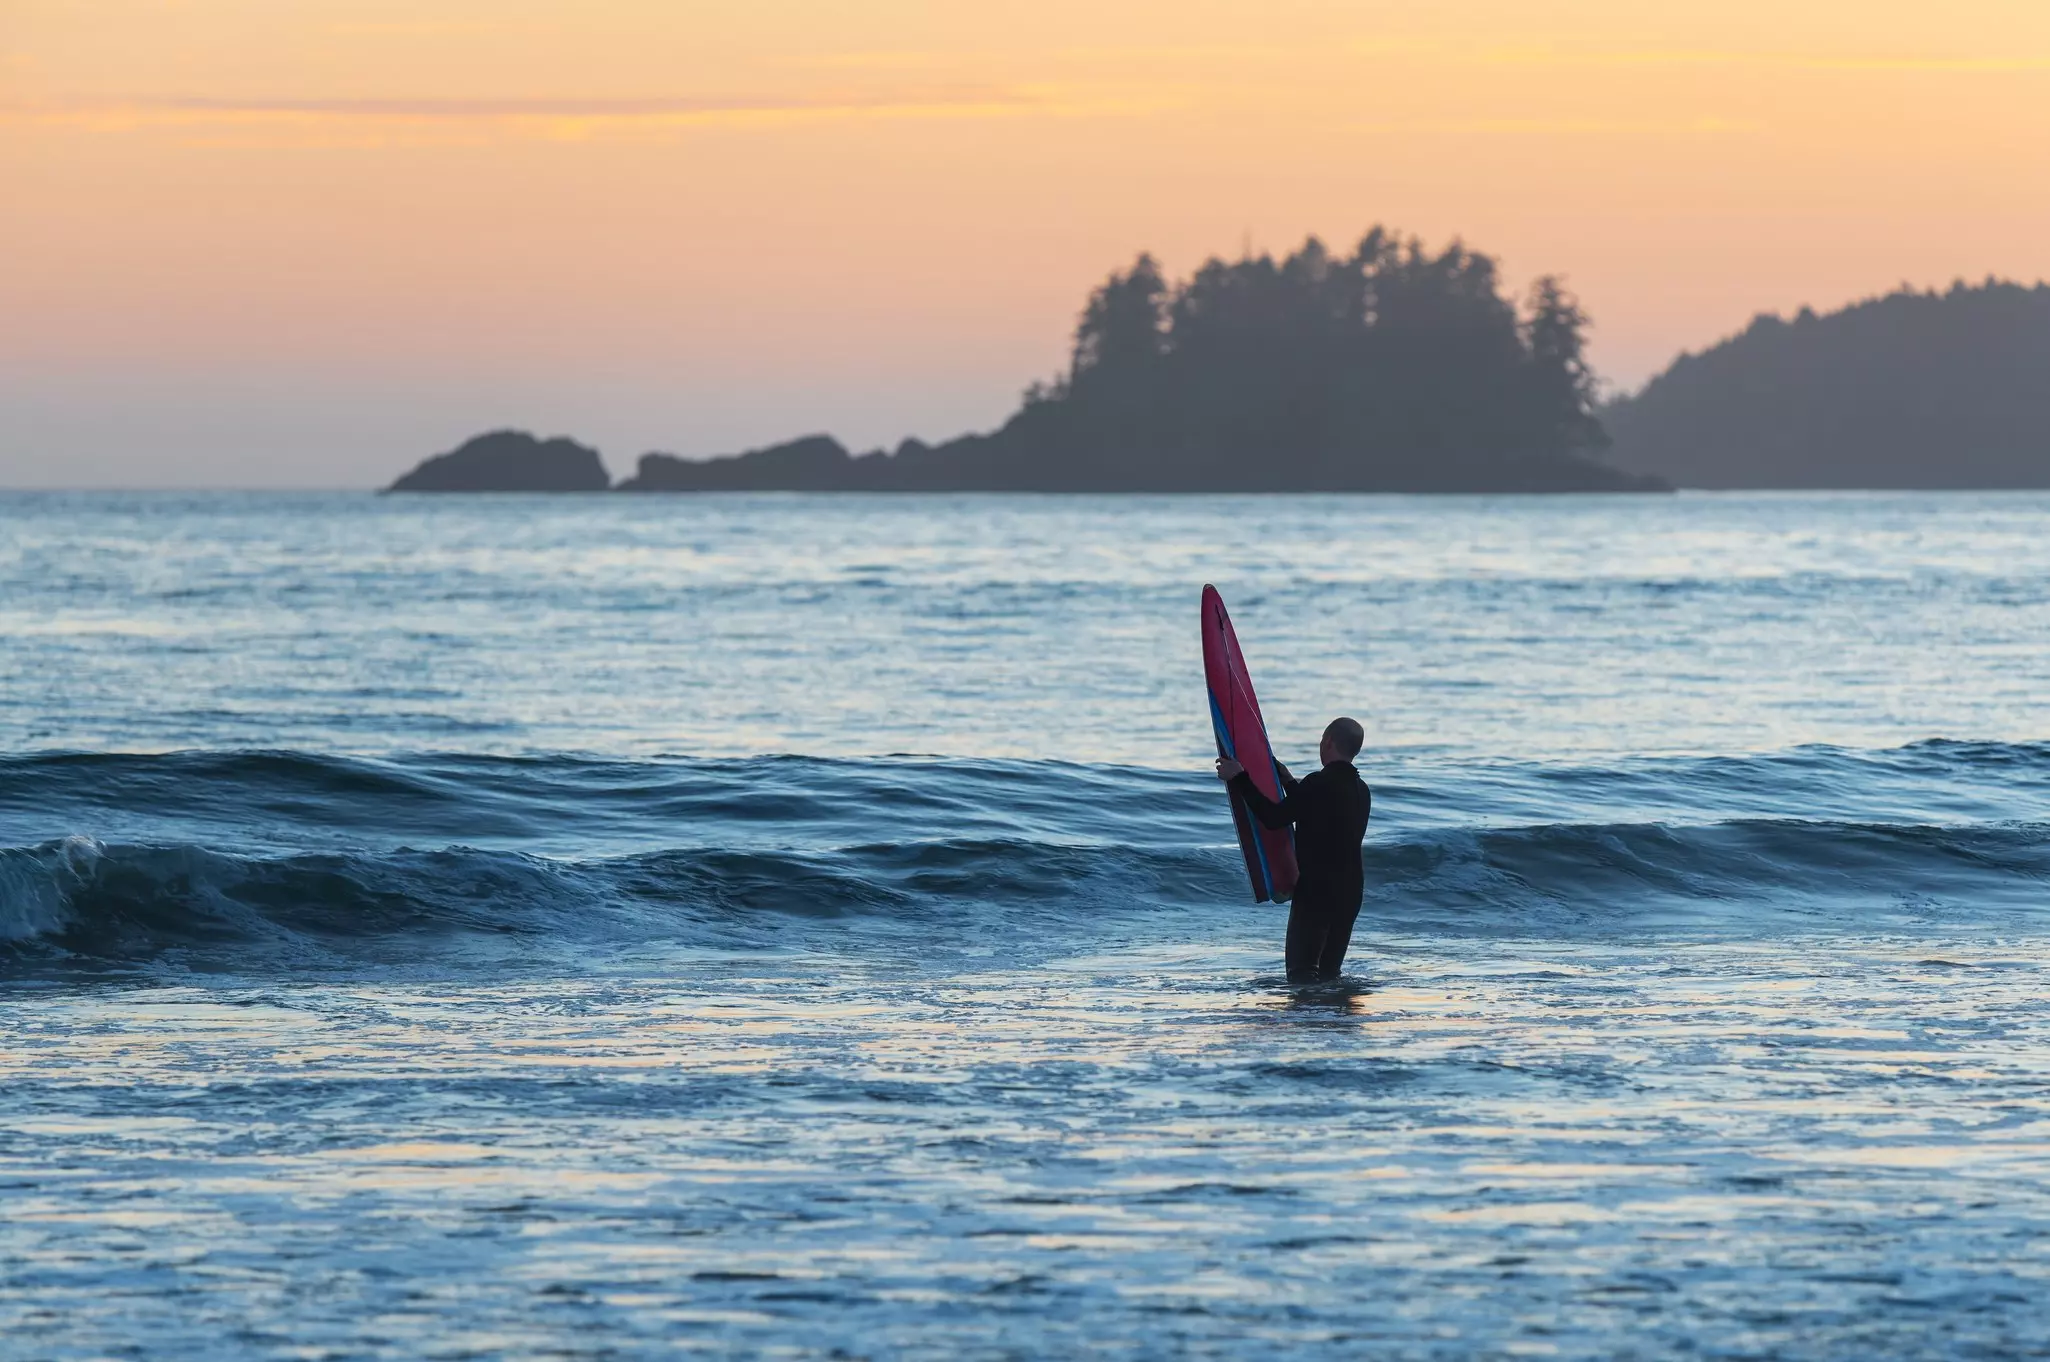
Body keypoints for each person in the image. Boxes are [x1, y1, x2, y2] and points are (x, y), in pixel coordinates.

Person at [1216, 717, 1372, 982]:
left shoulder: (1317, 784)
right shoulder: (1362, 790)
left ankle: (1307, 1021)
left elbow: (1274, 817)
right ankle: (1333, 1019)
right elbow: (1319, 813)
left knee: (1301, 974)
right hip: (1351, 892)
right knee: (1328, 975)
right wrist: (1288, 782)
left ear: (1328, 742)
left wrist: (1239, 778)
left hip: (1318, 892)